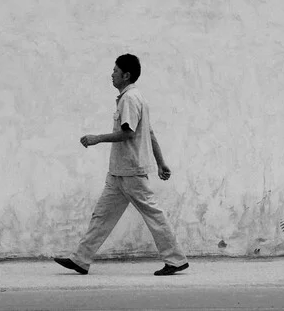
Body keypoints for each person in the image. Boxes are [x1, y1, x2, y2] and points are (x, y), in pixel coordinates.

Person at [54, 54, 189, 276]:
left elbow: (128, 133)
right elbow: (150, 133)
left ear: (126, 75)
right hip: (119, 173)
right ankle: (80, 259)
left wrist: (97, 138)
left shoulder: (129, 99)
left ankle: (175, 259)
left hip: (131, 171)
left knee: (154, 215)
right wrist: (161, 162)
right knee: (102, 216)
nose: (112, 74)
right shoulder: (135, 98)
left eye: (115, 71)